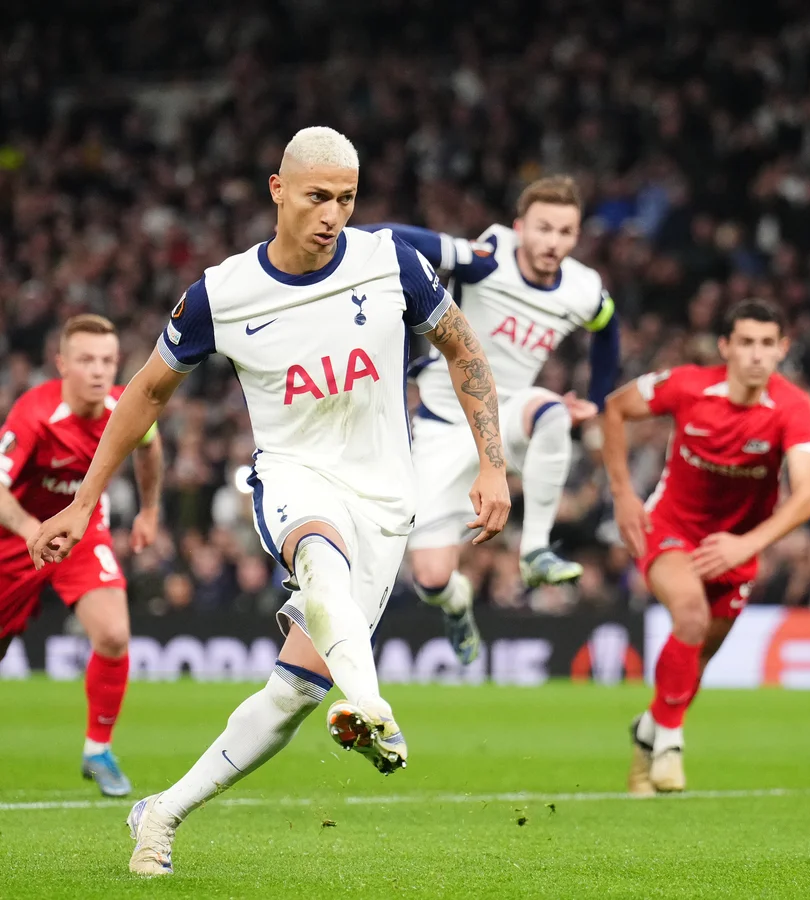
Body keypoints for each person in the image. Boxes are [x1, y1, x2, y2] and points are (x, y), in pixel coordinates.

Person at [28, 126, 510, 876]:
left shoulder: (391, 264)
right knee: (319, 558)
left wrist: (493, 465)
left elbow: (463, 346)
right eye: (317, 196)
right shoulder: (221, 293)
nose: (332, 214)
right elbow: (145, 392)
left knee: (291, 697)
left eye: (347, 199)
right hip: (293, 475)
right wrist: (86, 499)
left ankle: (160, 813)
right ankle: (374, 707)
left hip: (386, 499)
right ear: (278, 190)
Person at [362, 175, 620, 663]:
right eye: (544, 228)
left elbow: (608, 327)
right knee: (432, 579)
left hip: (508, 417)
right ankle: (457, 603)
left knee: (550, 413)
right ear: (520, 227)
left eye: (565, 232)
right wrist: (343, 238)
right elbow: (393, 239)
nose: (553, 242)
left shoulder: (583, 289)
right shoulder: (485, 260)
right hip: (442, 428)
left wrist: (599, 399)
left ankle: (536, 550)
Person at [600, 299, 810, 794]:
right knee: (690, 615)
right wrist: (621, 494)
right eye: (745, 342)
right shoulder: (687, 385)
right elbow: (615, 408)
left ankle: (647, 731)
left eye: (768, 344)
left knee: (698, 656)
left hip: (737, 546)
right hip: (670, 527)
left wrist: (746, 546)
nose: (756, 355)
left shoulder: (792, 407)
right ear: (725, 346)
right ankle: (670, 745)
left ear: (783, 349)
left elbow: (809, 494)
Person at [0, 314, 163, 797]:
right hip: (15, 539)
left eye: (108, 361)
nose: (99, 371)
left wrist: (150, 511)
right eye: (87, 360)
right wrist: (33, 528)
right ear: (62, 365)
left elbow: (149, 447)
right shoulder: (33, 413)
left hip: (82, 535)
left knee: (114, 634)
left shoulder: (123, 406)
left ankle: (98, 750)